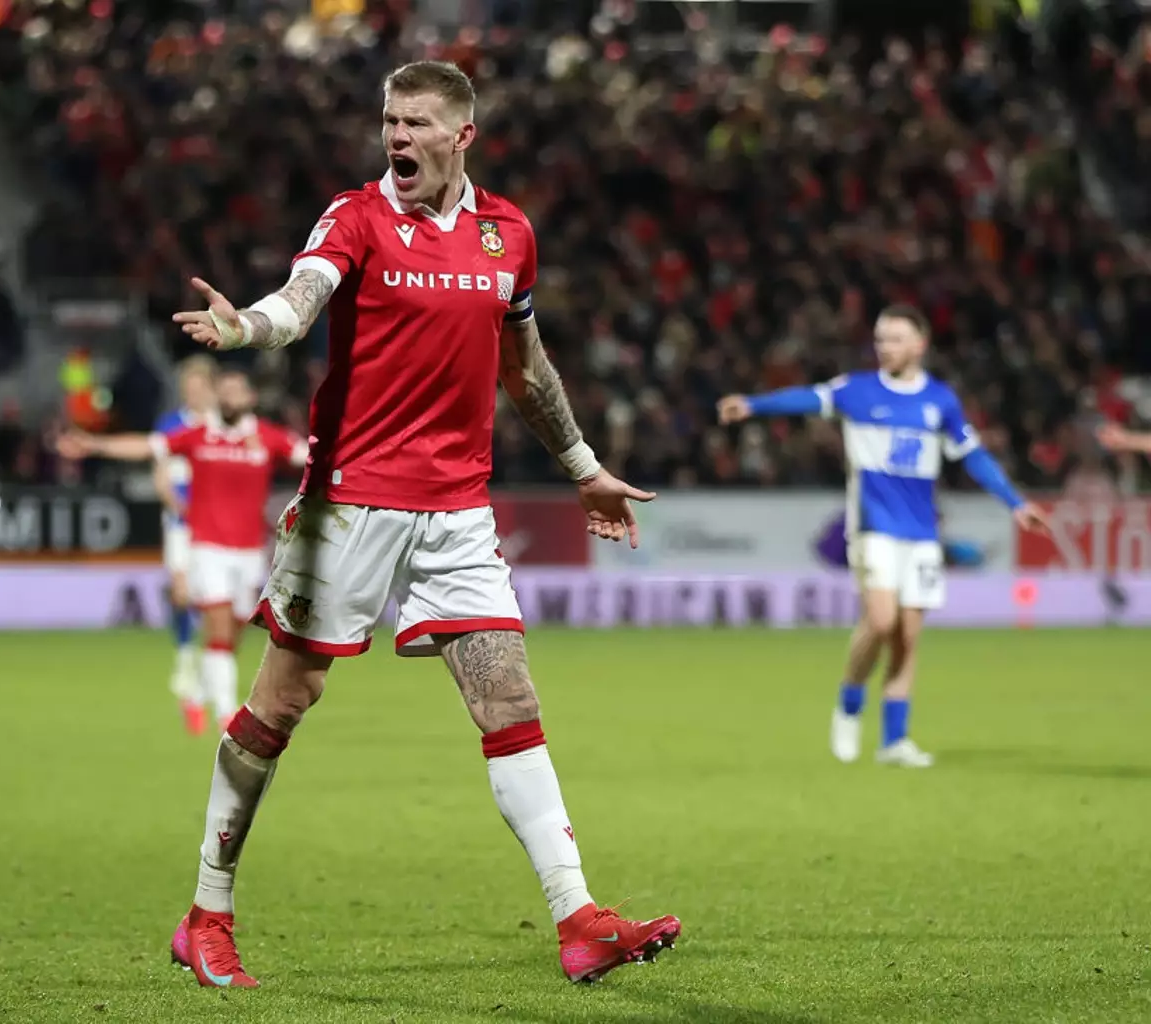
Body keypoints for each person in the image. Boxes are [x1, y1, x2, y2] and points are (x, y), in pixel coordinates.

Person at [152, 60, 678, 988]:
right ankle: (206, 912)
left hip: (457, 508)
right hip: (348, 502)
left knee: (509, 701)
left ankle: (579, 918)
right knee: (283, 700)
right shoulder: (356, 216)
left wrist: (584, 469)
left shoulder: (506, 234)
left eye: (418, 123)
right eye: (390, 120)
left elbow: (526, 366)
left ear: (461, 135)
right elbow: (300, 297)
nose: (398, 137)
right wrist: (246, 331)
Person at [718, 305, 1048, 769]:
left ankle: (894, 741)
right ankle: (849, 703)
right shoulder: (858, 390)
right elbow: (807, 399)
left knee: (908, 636)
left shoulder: (940, 401)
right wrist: (753, 405)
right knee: (880, 620)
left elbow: (974, 457)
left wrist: (1016, 504)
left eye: (894, 338)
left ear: (920, 344)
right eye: (879, 339)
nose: (884, 347)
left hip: (922, 533)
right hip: (874, 527)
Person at [60, 369, 308, 732]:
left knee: (232, 633)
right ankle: (228, 716)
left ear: (250, 399)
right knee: (219, 629)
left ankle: (195, 696)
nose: (229, 398)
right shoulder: (198, 436)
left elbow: (314, 454)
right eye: (223, 392)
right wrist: (95, 445)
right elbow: (148, 446)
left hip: (249, 552)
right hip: (207, 548)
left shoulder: (267, 438)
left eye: (236, 391)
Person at [153, 357, 217, 732]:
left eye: (199, 386)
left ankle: (206, 682)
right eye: (188, 387)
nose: (193, 393)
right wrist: (173, 501)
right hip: (180, 522)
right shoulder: (171, 426)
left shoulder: (221, 425)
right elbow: (160, 475)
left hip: (215, 525)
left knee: (214, 605)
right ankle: (184, 656)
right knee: (180, 594)